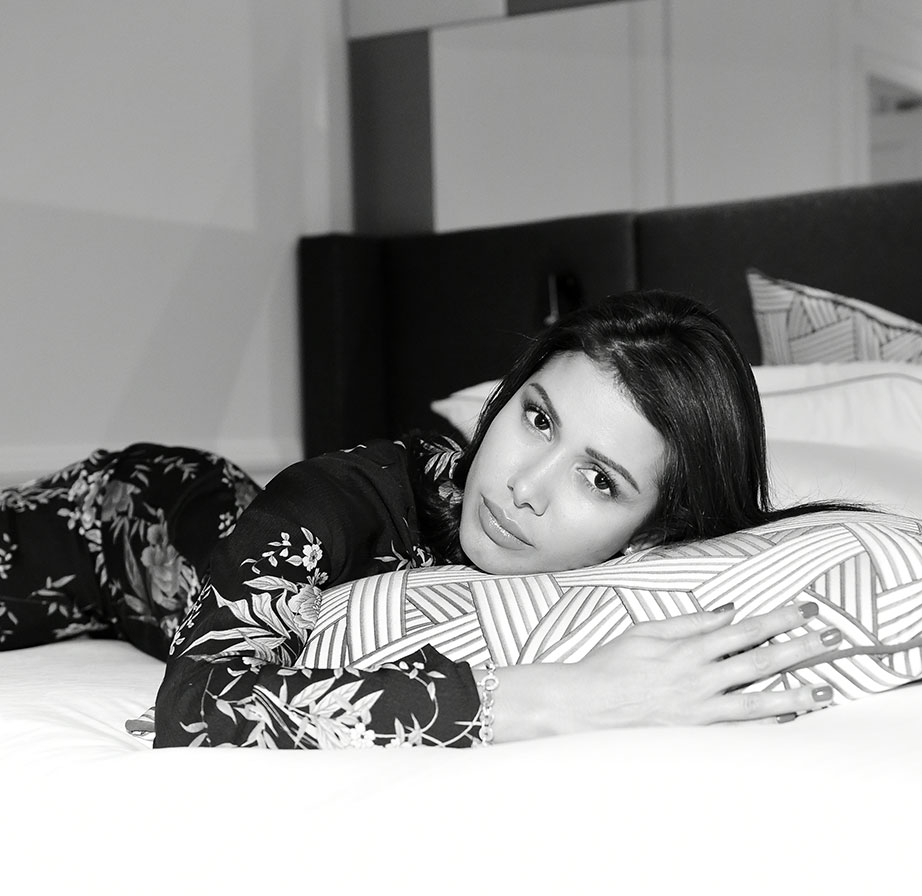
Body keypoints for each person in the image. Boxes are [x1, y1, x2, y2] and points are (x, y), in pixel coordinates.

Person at [0, 291, 850, 747]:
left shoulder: (651, 564)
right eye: (538, 419)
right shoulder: (340, 496)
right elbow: (198, 708)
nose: (524, 486)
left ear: (660, 528)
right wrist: (570, 697)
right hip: (110, 519)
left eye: (598, 478)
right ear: (505, 398)